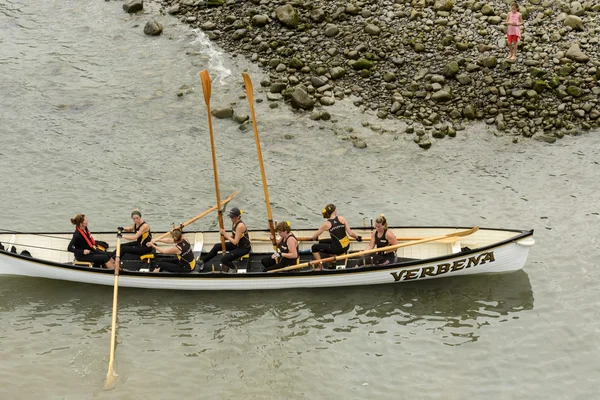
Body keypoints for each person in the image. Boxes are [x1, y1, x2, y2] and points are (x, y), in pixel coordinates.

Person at [197, 207, 251, 273]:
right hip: (237, 244)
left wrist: (225, 234)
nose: (231, 219)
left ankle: (233, 268)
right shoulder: (234, 223)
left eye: (233, 217)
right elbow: (235, 235)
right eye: (231, 217)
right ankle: (203, 261)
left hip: (243, 248)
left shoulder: (240, 226)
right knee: (217, 246)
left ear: (237, 217)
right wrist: (225, 238)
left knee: (224, 259)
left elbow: (235, 242)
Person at [310, 204, 362, 268]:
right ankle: (333, 261)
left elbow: (313, 237)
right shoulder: (342, 218)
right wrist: (357, 237)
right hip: (346, 246)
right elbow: (350, 233)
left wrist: (314, 238)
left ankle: (320, 267)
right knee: (322, 242)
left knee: (314, 247)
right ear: (334, 211)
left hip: (338, 248)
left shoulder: (326, 224)